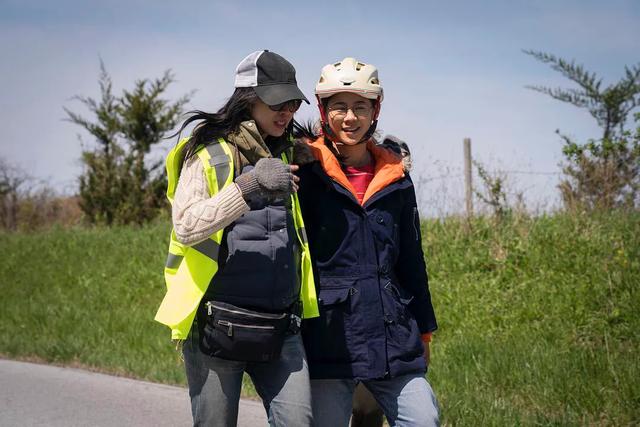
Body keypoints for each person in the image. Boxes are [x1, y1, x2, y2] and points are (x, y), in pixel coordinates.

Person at [154, 50, 319, 427]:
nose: (286, 111)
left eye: (293, 102)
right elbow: (187, 225)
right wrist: (248, 187)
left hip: (282, 324)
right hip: (218, 324)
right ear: (248, 98)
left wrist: (389, 154)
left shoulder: (295, 149)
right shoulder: (209, 153)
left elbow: (348, 152)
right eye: (277, 102)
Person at [295, 57, 440, 426]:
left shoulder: (396, 177)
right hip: (327, 340)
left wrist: (424, 329)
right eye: (339, 106)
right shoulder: (303, 171)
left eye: (360, 107)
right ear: (323, 110)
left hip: (393, 336)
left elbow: (411, 260)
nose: (350, 117)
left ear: (375, 111)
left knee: (423, 420)